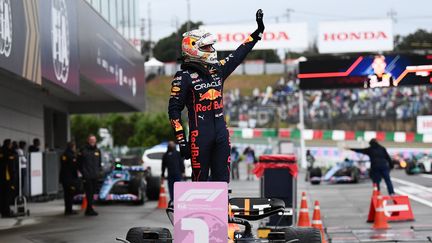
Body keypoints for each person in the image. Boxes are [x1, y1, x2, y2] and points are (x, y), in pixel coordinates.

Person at [168, 9, 265, 182]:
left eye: (211, 46)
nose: (211, 49)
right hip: (199, 137)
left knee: (222, 180)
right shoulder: (183, 77)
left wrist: (257, 33)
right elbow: (173, 111)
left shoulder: (217, 70)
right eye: (206, 47)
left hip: (222, 134)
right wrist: (182, 141)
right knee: (200, 181)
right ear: (192, 49)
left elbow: (238, 55)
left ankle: (222, 208)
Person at [77, 135, 101, 216]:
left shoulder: (98, 151)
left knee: (93, 192)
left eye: (94, 140)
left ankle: (89, 208)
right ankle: (89, 209)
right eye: (91, 140)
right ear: (88, 140)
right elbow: (79, 163)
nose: (92, 141)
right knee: (88, 192)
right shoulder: (83, 150)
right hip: (87, 176)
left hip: (95, 175)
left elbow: (99, 163)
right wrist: (83, 173)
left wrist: (98, 172)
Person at [60, 142, 79, 215]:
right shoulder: (71, 156)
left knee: (66, 194)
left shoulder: (63, 154)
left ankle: (67, 209)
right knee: (70, 194)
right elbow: (74, 167)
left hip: (64, 177)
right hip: (70, 178)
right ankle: (69, 210)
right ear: (72, 147)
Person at [0, 139, 17, 217]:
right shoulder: (7, 153)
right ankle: (6, 212)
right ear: (8, 144)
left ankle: (4, 211)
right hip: (6, 177)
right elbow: (13, 156)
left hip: (3, 177)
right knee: (6, 195)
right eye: (10, 144)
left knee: (3, 195)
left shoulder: (3, 151)